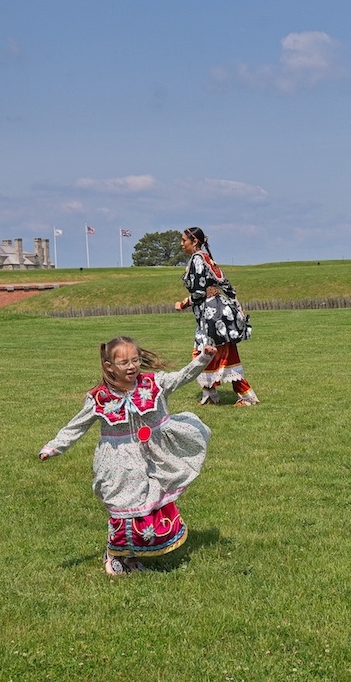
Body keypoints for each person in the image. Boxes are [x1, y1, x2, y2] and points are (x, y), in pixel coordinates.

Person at [39, 336, 216, 576]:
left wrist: (204, 358)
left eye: (135, 360)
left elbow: (182, 376)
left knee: (145, 505)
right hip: (118, 460)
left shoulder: (154, 384)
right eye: (124, 363)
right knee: (123, 505)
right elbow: (76, 426)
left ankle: (131, 555)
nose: (132, 366)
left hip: (154, 455)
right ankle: (113, 553)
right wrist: (54, 447)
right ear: (109, 366)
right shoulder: (100, 397)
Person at [174, 227, 259, 407]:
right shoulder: (206, 258)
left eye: (184, 240)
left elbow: (199, 292)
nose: (181, 244)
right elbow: (225, 284)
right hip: (217, 312)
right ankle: (210, 394)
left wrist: (183, 303)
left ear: (194, 242)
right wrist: (236, 304)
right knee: (212, 352)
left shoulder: (198, 259)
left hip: (211, 315)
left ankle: (245, 396)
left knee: (210, 353)